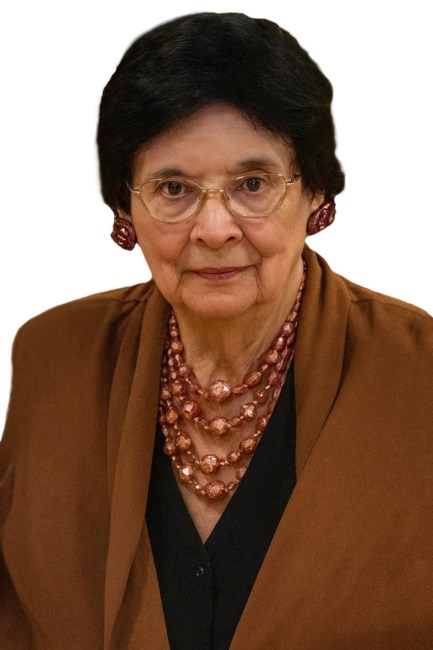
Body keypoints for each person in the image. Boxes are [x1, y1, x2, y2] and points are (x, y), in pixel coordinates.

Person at [1, 11, 432, 650]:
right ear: (125, 206)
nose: (214, 229)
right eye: (174, 188)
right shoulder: (53, 356)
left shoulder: (419, 373)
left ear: (315, 192)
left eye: (252, 184)